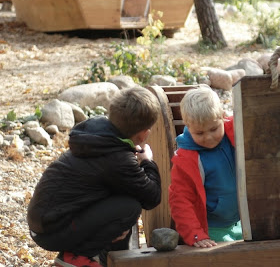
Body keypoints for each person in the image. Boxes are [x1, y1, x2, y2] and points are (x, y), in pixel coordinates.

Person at [27, 86, 162, 267]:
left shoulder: (98, 134)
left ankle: (100, 258)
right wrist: (147, 162)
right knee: (129, 207)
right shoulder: (117, 159)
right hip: (52, 232)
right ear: (144, 133)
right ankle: (77, 257)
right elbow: (152, 197)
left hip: (43, 222)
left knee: (124, 197)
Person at [168, 86, 240, 247]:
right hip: (212, 227)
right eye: (199, 133)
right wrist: (195, 234)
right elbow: (180, 200)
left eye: (213, 129)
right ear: (187, 126)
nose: (208, 137)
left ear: (223, 116)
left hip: (242, 220)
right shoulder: (186, 158)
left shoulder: (236, 132)